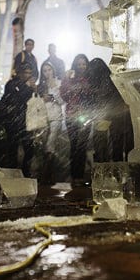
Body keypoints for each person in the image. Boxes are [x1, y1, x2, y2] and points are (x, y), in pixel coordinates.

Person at [86, 58, 134, 163]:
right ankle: (124, 168)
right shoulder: (112, 78)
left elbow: (104, 98)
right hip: (119, 114)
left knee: (109, 143)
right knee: (121, 144)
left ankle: (107, 167)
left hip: (110, 115)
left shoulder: (98, 82)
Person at [0, 62, 37, 177]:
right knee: (12, 148)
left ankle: (25, 171)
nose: (28, 75)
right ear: (20, 72)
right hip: (13, 121)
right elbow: (19, 97)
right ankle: (13, 172)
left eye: (30, 73)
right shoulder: (12, 84)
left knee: (29, 148)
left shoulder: (29, 85)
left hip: (26, 121)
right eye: (25, 72)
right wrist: (28, 88)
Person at [60, 54, 92, 187]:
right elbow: (64, 95)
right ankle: (74, 176)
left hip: (86, 115)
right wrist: (67, 79)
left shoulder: (90, 78)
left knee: (82, 146)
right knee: (74, 146)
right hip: (71, 116)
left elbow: (91, 94)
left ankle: (80, 176)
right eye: (79, 64)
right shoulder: (69, 78)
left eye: (84, 64)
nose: (82, 66)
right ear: (75, 65)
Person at [37, 61, 66, 185]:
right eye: (45, 71)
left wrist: (54, 96)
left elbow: (63, 101)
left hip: (56, 117)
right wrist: (42, 99)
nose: (47, 72)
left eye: (49, 69)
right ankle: (50, 174)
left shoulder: (60, 82)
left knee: (50, 144)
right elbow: (36, 104)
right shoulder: (41, 86)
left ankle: (46, 175)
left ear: (53, 70)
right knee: (45, 147)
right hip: (44, 118)